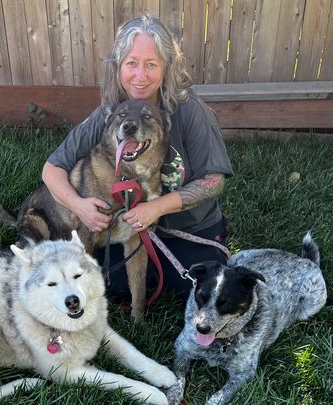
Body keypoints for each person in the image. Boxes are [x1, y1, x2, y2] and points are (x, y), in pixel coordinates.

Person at [42, 14, 233, 302]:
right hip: (129, 230)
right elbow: (52, 169)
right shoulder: (112, 114)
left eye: (151, 64)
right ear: (118, 66)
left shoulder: (190, 111)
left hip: (188, 229)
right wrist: (79, 207)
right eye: (131, 63)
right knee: (113, 284)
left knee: (200, 290)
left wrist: (156, 208)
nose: (140, 76)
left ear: (167, 67)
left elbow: (214, 181)